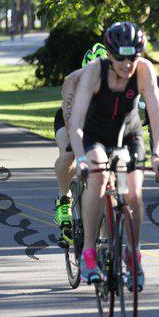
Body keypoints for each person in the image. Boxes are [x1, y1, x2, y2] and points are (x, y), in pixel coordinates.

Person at [68, 21, 159, 288]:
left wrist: (158, 155)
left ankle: (133, 253)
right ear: (110, 56)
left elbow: (157, 116)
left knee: (133, 194)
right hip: (96, 136)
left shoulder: (144, 70)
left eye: (133, 57)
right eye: (121, 58)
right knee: (99, 177)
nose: (127, 64)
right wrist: (80, 159)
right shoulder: (94, 71)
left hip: (129, 135)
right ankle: (89, 253)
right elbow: (76, 122)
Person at [53, 43, 108, 243]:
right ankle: (64, 199)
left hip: (98, 121)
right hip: (70, 119)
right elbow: (69, 118)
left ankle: (105, 241)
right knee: (69, 153)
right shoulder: (73, 81)